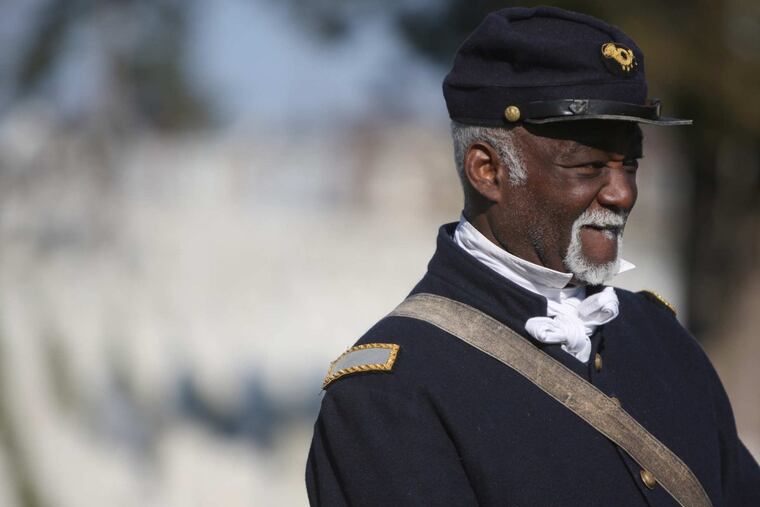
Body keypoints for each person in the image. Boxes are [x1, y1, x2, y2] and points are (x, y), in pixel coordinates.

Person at [305, 6, 760, 506]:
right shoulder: (390, 396)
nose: (623, 193)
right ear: (488, 170)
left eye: (630, 164)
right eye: (588, 167)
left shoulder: (662, 340)